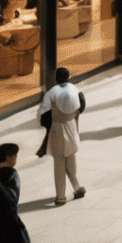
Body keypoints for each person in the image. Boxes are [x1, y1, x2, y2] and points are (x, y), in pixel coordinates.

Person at [38, 69, 84, 203]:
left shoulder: (51, 93)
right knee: (71, 158)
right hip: (72, 126)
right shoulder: (75, 89)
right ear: (68, 77)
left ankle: (61, 196)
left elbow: (44, 117)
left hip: (58, 128)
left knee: (59, 163)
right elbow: (82, 106)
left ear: (55, 78)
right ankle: (77, 188)